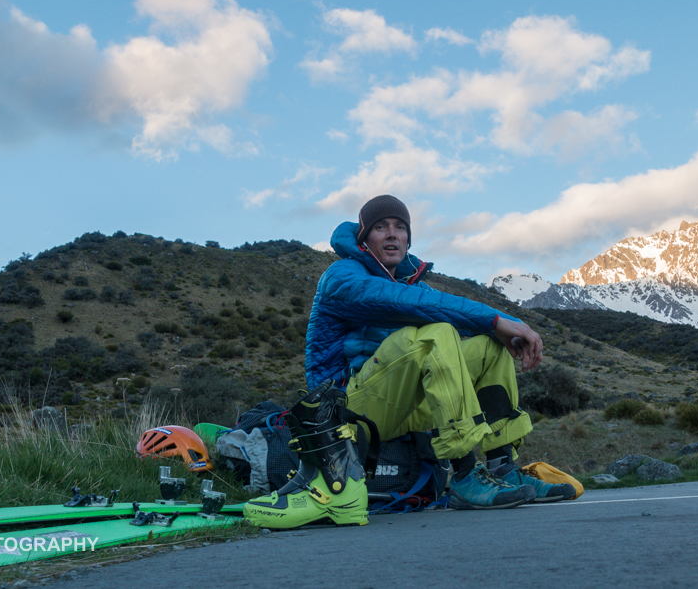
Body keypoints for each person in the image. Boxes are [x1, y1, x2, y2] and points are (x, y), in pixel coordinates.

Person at [244, 195, 574, 528]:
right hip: (347, 411)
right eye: (380, 227)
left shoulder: (410, 284)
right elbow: (409, 304)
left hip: (397, 405)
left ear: (408, 238)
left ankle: (503, 468)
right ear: (364, 238)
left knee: (490, 346)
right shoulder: (342, 277)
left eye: (400, 227)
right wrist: (496, 319)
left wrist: (508, 326)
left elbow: (434, 304)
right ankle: (463, 474)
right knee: (437, 333)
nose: (392, 234)